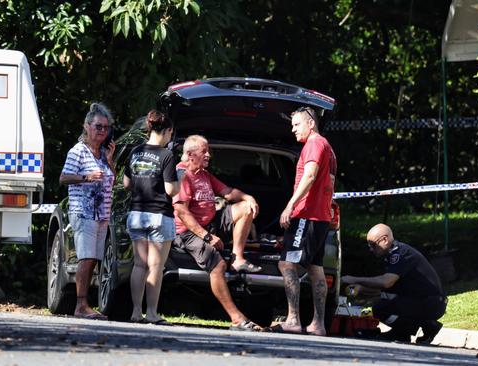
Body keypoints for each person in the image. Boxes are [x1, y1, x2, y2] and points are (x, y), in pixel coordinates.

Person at [172, 134, 263, 331]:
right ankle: (237, 319)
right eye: (204, 151)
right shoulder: (182, 174)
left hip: (211, 223)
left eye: (208, 151)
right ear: (189, 154)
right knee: (218, 266)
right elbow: (181, 211)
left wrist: (249, 197)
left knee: (246, 207)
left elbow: (228, 192)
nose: (208, 155)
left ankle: (238, 258)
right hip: (188, 232)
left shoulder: (204, 174)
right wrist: (207, 237)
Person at [276, 106, 337, 336]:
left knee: (286, 264)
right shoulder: (327, 147)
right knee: (315, 269)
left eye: (296, 124)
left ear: (310, 123)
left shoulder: (314, 144)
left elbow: (310, 175)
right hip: (320, 217)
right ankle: (317, 325)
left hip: (306, 215)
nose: (293, 130)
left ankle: (293, 319)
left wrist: (291, 205)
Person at [341, 223, 447, 343]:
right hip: (423, 301)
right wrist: (361, 289)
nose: (370, 249)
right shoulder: (392, 254)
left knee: (380, 308)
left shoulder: (400, 254)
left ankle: (425, 326)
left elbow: (386, 282)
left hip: (431, 303)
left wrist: (353, 279)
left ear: (385, 239)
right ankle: (402, 332)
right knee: (382, 302)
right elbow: (383, 289)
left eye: (373, 245)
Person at [59, 102, 116, 320]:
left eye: (105, 127)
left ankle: (85, 303)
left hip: (102, 213)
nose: (102, 131)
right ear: (87, 126)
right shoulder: (78, 151)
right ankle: (80, 305)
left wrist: (110, 162)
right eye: (98, 126)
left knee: (93, 259)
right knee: (85, 258)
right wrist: (86, 177)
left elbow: (113, 179)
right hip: (83, 212)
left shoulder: (103, 153)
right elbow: (63, 177)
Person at [123, 110, 179, 325]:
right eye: (170, 134)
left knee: (139, 265)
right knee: (156, 266)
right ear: (166, 131)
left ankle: (136, 312)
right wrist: (179, 182)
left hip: (136, 214)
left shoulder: (136, 151)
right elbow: (171, 189)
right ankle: (152, 313)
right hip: (159, 216)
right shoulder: (166, 155)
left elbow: (127, 184)